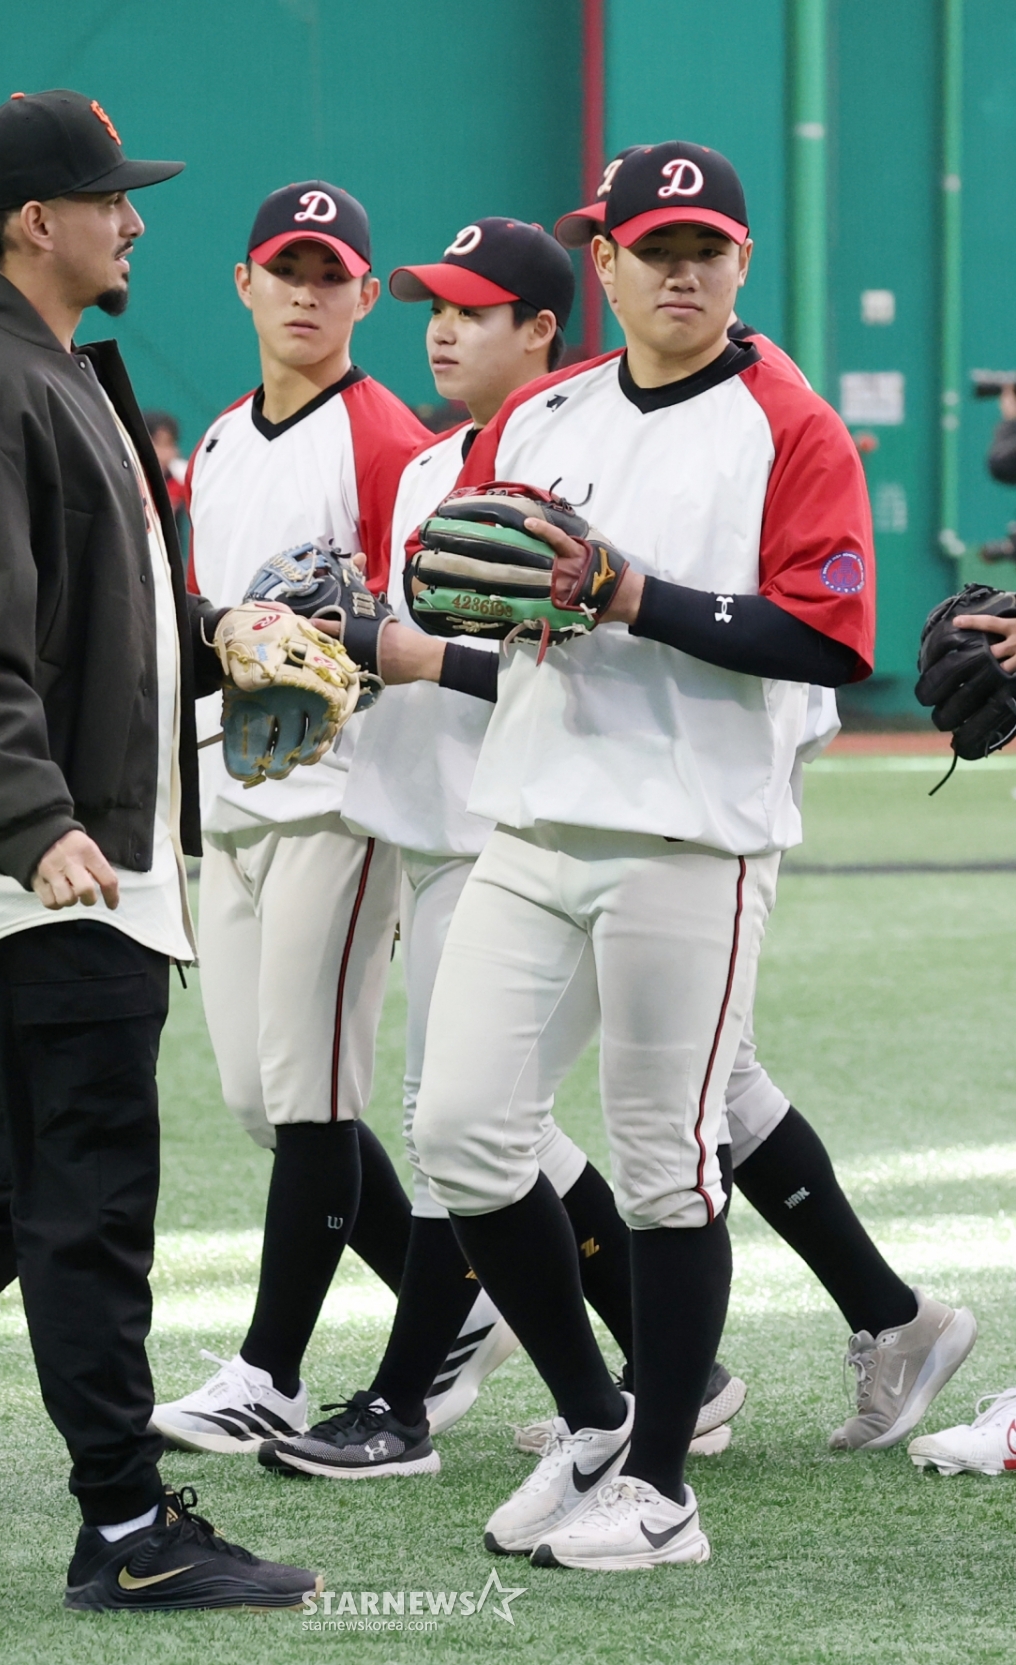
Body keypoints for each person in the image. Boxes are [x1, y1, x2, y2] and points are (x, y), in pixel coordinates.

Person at [0, 90, 316, 1613]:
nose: (136, 220)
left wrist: (221, 640)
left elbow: (78, 611)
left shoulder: (31, 368)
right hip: (47, 859)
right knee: (87, 1199)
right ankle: (126, 1529)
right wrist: (37, 825)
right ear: (37, 222)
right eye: (111, 198)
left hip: (64, 848)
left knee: (14, 1184)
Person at [380, 139, 878, 1572]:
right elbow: (457, 573)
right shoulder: (542, 412)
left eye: (705, 249)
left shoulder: (791, 424)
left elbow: (825, 634)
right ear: (605, 261)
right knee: (463, 1132)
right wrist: (435, 603)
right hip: (532, 818)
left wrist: (629, 592)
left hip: (690, 839)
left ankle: (661, 1490)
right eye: (655, 247)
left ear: (742, 263)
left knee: (668, 1164)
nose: (680, 270)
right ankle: (597, 1421)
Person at [261, 216, 743, 1480]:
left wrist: (408, 651)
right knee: (482, 1126)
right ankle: (671, 1376)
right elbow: (420, 636)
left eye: (473, 311)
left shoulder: (582, 462)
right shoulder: (433, 465)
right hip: (427, 816)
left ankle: (417, 1404)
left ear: (542, 328)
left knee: (482, 1123)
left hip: (525, 825)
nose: (442, 330)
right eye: (434, 306)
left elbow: (561, 659)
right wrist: (330, 654)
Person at [152, 180, 514, 1459]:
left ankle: (272, 1373)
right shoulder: (219, 442)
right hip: (234, 794)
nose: (306, 295)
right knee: (262, 1100)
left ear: (365, 294)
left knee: (309, 1098)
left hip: (339, 797)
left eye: (330, 275)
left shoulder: (386, 442)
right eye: (286, 271)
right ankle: (459, 1300)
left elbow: (424, 630)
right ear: (244, 284)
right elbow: (204, 622)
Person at [142, 407, 188, 546]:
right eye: (158, 443)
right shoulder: (131, 479)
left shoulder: (179, 480)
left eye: (169, 444)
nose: (165, 453)